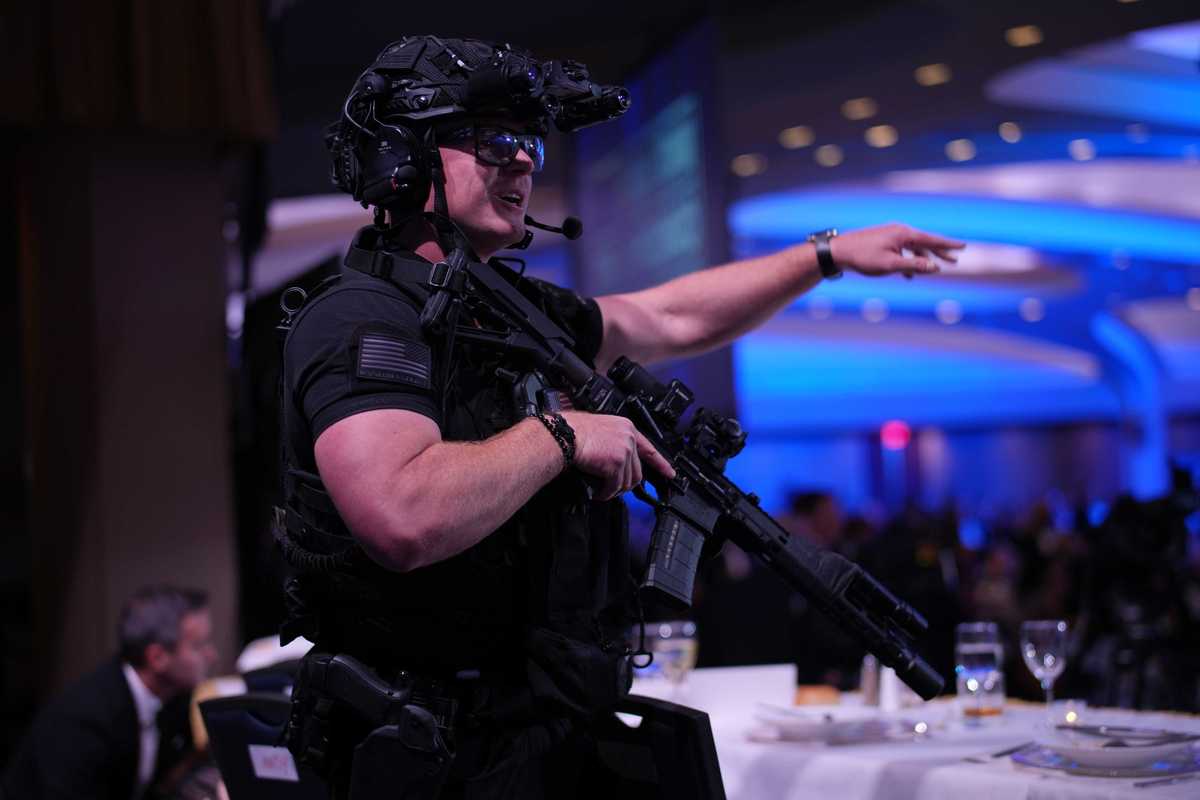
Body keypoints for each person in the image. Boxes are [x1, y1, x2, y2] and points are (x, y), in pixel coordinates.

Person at [275, 36, 963, 799]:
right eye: (497, 141)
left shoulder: (511, 311)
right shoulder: (364, 317)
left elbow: (666, 317)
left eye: (530, 142)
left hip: (535, 727)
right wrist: (561, 436)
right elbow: (401, 513)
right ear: (406, 161)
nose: (526, 162)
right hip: (425, 752)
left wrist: (824, 255)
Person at [3, 586, 218, 800]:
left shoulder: (174, 696)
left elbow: (168, 781)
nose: (212, 655)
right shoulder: (85, 720)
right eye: (199, 646)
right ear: (157, 658)